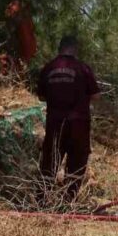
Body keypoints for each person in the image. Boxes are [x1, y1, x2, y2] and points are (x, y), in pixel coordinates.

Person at [37, 36, 99, 200]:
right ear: (75, 49)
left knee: (50, 161)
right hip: (78, 124)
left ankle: (43, 200)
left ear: (60, 48)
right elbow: (95, 95)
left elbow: (41, 97)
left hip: (55, 124)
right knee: (77, 161)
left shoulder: (48, 68)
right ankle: (69, 200)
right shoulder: (83, 69)